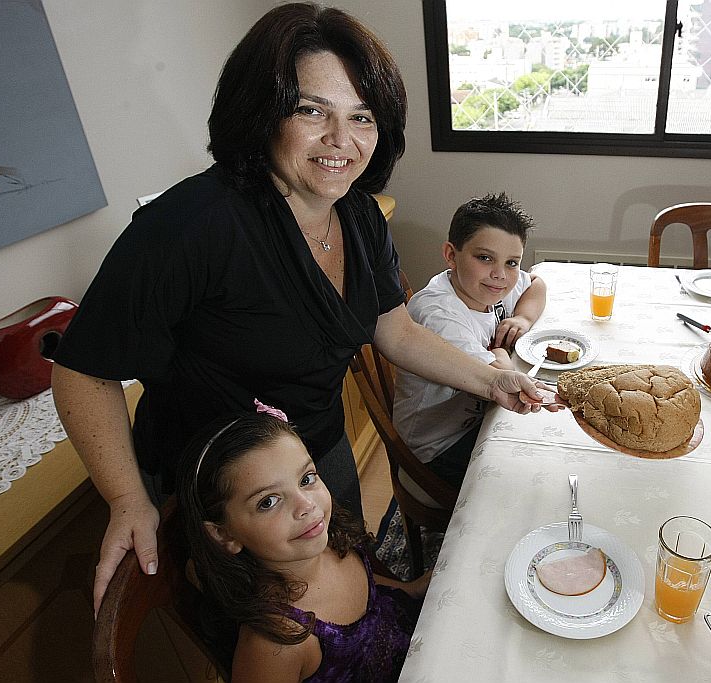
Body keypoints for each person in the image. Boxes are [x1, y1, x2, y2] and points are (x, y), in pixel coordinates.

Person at [50, 2, 557, 616]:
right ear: (262, 112)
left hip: (317, 451)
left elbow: (391, 327)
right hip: (234, 494)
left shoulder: (360, 213)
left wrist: (494, 378)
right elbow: (82, 368)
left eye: (362, 117)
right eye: (311, 110)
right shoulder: (193, 226)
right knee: (285, 634)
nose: (341, 141)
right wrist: (128, 499)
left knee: (348, 597)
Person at [175, 404, 425, 681]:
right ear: (225, 535)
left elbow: (370, 583)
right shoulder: (277, 644)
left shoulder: (327, 540)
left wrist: (409, 590)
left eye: (306, 479)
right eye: (268, 502)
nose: (306, 505)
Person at [393, 193, 546, 488]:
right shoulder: (437, 314)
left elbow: (537, 283)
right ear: (451, 254)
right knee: (534, 475)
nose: (500, 275)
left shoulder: (489, 285)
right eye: (485, 258)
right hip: (438, 446)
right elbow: (500, 375)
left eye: (512, 262)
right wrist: (501, 352)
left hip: (480, 420)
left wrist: (522, 318)